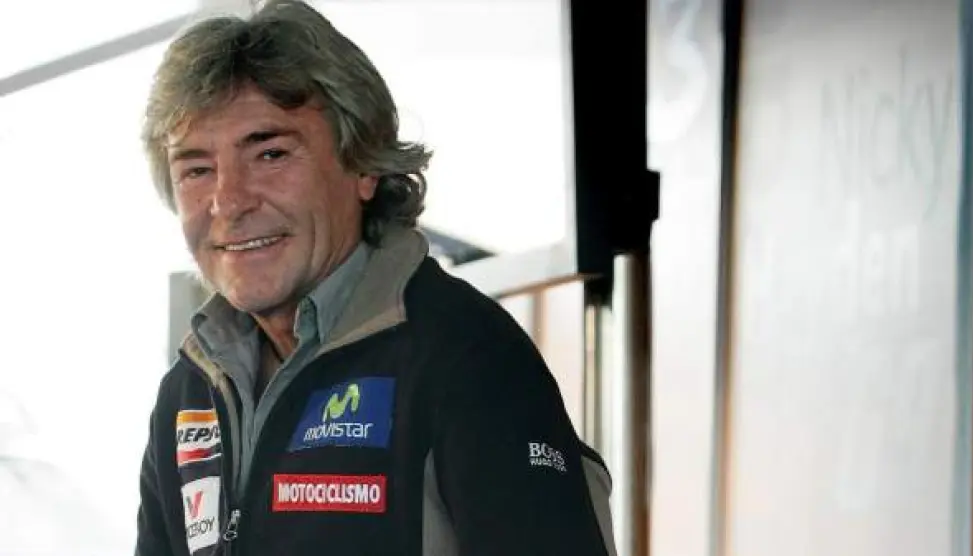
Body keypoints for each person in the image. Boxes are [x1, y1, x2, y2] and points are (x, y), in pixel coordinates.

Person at [135, 1, 616, 555]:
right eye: (197, 169)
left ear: (362, 164)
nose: (230, 202)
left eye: (270, 153)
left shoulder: (466, 357)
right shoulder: (189, 391)